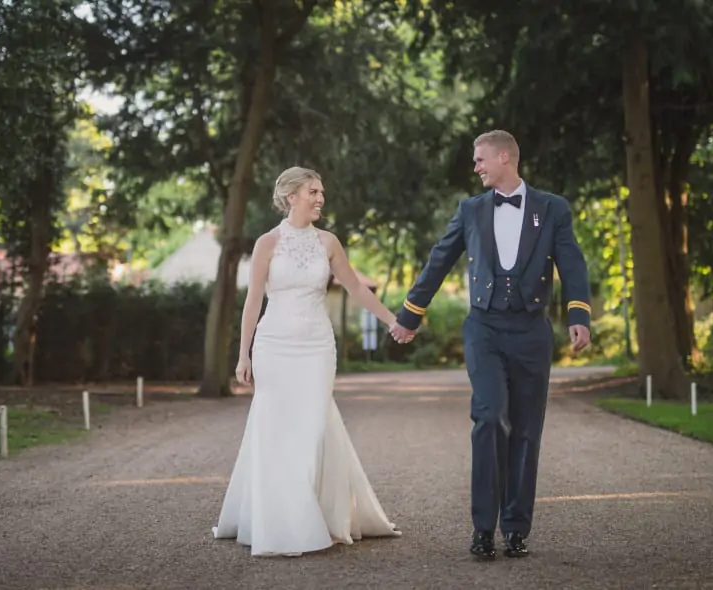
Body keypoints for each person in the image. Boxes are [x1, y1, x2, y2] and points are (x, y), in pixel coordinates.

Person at [390, 130, 592, 560]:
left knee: (526, 430)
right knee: (489, 417)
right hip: (483, 328)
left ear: (505, 157)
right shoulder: (470, 210)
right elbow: (439, 260)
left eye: (480, 159)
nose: (476, 166)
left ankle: (516, 529)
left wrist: (579, 315)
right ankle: (483, 527)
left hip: (532, 332)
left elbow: (571, 260)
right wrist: (410, 315)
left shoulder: (552, 208)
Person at [212, 166, 403, 557]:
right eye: (313, 192)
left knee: (313, 429)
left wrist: (392, 320)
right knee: (277, 431)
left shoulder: (329, 242)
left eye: (321, 192)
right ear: (291, 196)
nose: (320, 198)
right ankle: (283, 522)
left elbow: (354, 287)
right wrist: (243, 353)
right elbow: (253, 302)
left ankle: (326, 517)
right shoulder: (267, 243)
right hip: (274, 345)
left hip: (316, 347)